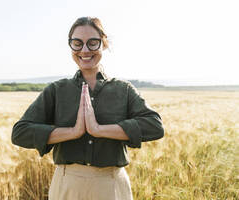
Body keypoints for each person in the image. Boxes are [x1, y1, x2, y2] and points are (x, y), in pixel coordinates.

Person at [11, 16, 164, 200]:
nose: (84, 50)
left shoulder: (123, 90)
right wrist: (73, 132)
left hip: (112, 185)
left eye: (93, 43)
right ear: (71, 46)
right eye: (77, 43)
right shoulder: (57, 90)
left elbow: (154, 126)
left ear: (104, 44)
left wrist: (99, 130)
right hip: (67, 185)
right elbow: (20, 133)